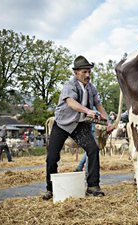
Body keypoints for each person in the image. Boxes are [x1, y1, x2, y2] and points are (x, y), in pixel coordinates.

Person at [42, 55, 112, 200]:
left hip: (80, 125)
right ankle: (50, 189)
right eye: (84, 72)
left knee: (93, 149)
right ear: (76, 73)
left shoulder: (91, 88)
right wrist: (87, 111)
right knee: (52, 157)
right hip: (62, 124)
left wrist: (109, 122)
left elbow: (99, 105)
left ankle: (93, 186)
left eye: (89, 72)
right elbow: (70, 102)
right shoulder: (70, 85)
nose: (87, 75)